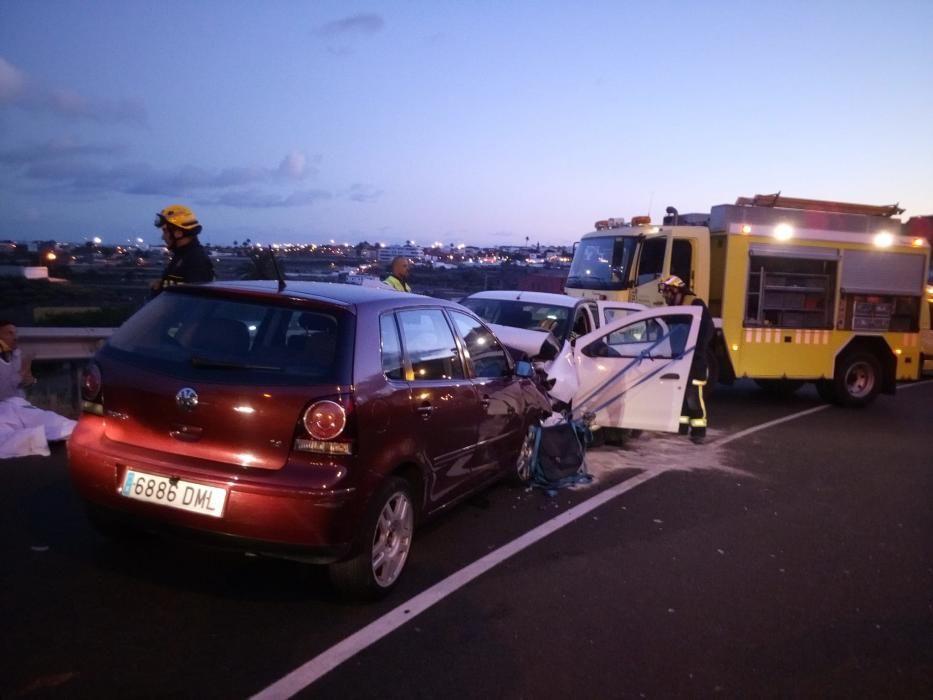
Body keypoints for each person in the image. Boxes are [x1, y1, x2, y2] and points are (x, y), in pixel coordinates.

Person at [0, 320, 76, 458]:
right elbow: (6, 385)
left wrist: (29, 380)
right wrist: (23, 371)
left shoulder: (15, 354)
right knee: (5, 438)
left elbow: (22, 383)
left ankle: (78, 431)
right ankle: (37, 439)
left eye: (15, 333)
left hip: (17, 404)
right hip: (3, 410)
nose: (15, 337)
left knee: (49, 419)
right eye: (9, 333)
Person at [659, 275, 715, 444]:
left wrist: (696, 350)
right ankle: (681, 426)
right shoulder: (674, 308)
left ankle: (698, 431)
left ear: (677, 291)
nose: (666, 296)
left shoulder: (695, 304)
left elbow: (707, 329)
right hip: (679, 359)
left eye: (668, 292)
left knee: (693, 396)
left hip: (694, 361)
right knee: (680, 394)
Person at [150, 204, 215, 296]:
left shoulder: (196, 260)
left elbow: (194, 298)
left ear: (178, 233)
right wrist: (162, 284)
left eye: (165, 232)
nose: (163, 237)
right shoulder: (183, 255)